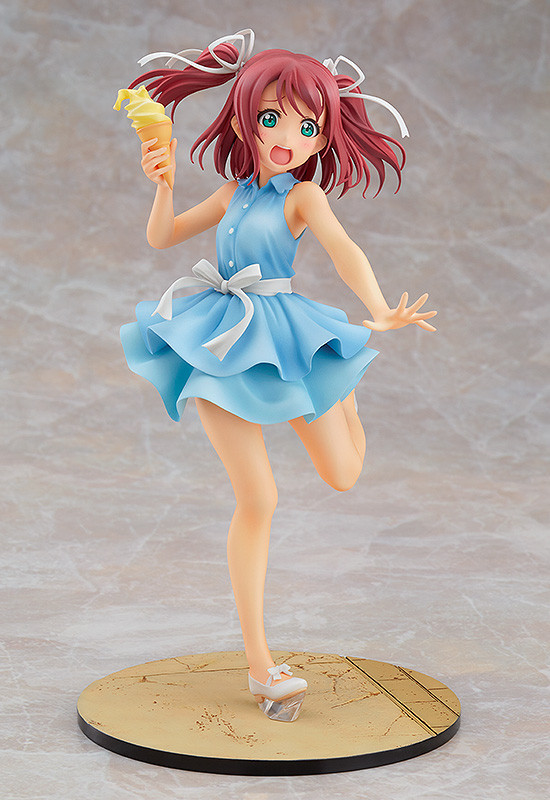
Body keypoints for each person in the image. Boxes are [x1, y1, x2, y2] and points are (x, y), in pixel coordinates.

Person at [119, 30, 436, 722]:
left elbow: (344, 250)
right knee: (257, 499)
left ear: (322, 135)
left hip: (286, 337)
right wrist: (162, 183)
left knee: (342, 475)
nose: (288, 137)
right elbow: (162, 237)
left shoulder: (304, 197)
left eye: (306, 126)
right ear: (244, 122)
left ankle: (343, 387)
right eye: (271, 119)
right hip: (218, 340)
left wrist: (379, 307)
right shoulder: (232, 191)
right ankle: (261, 668)